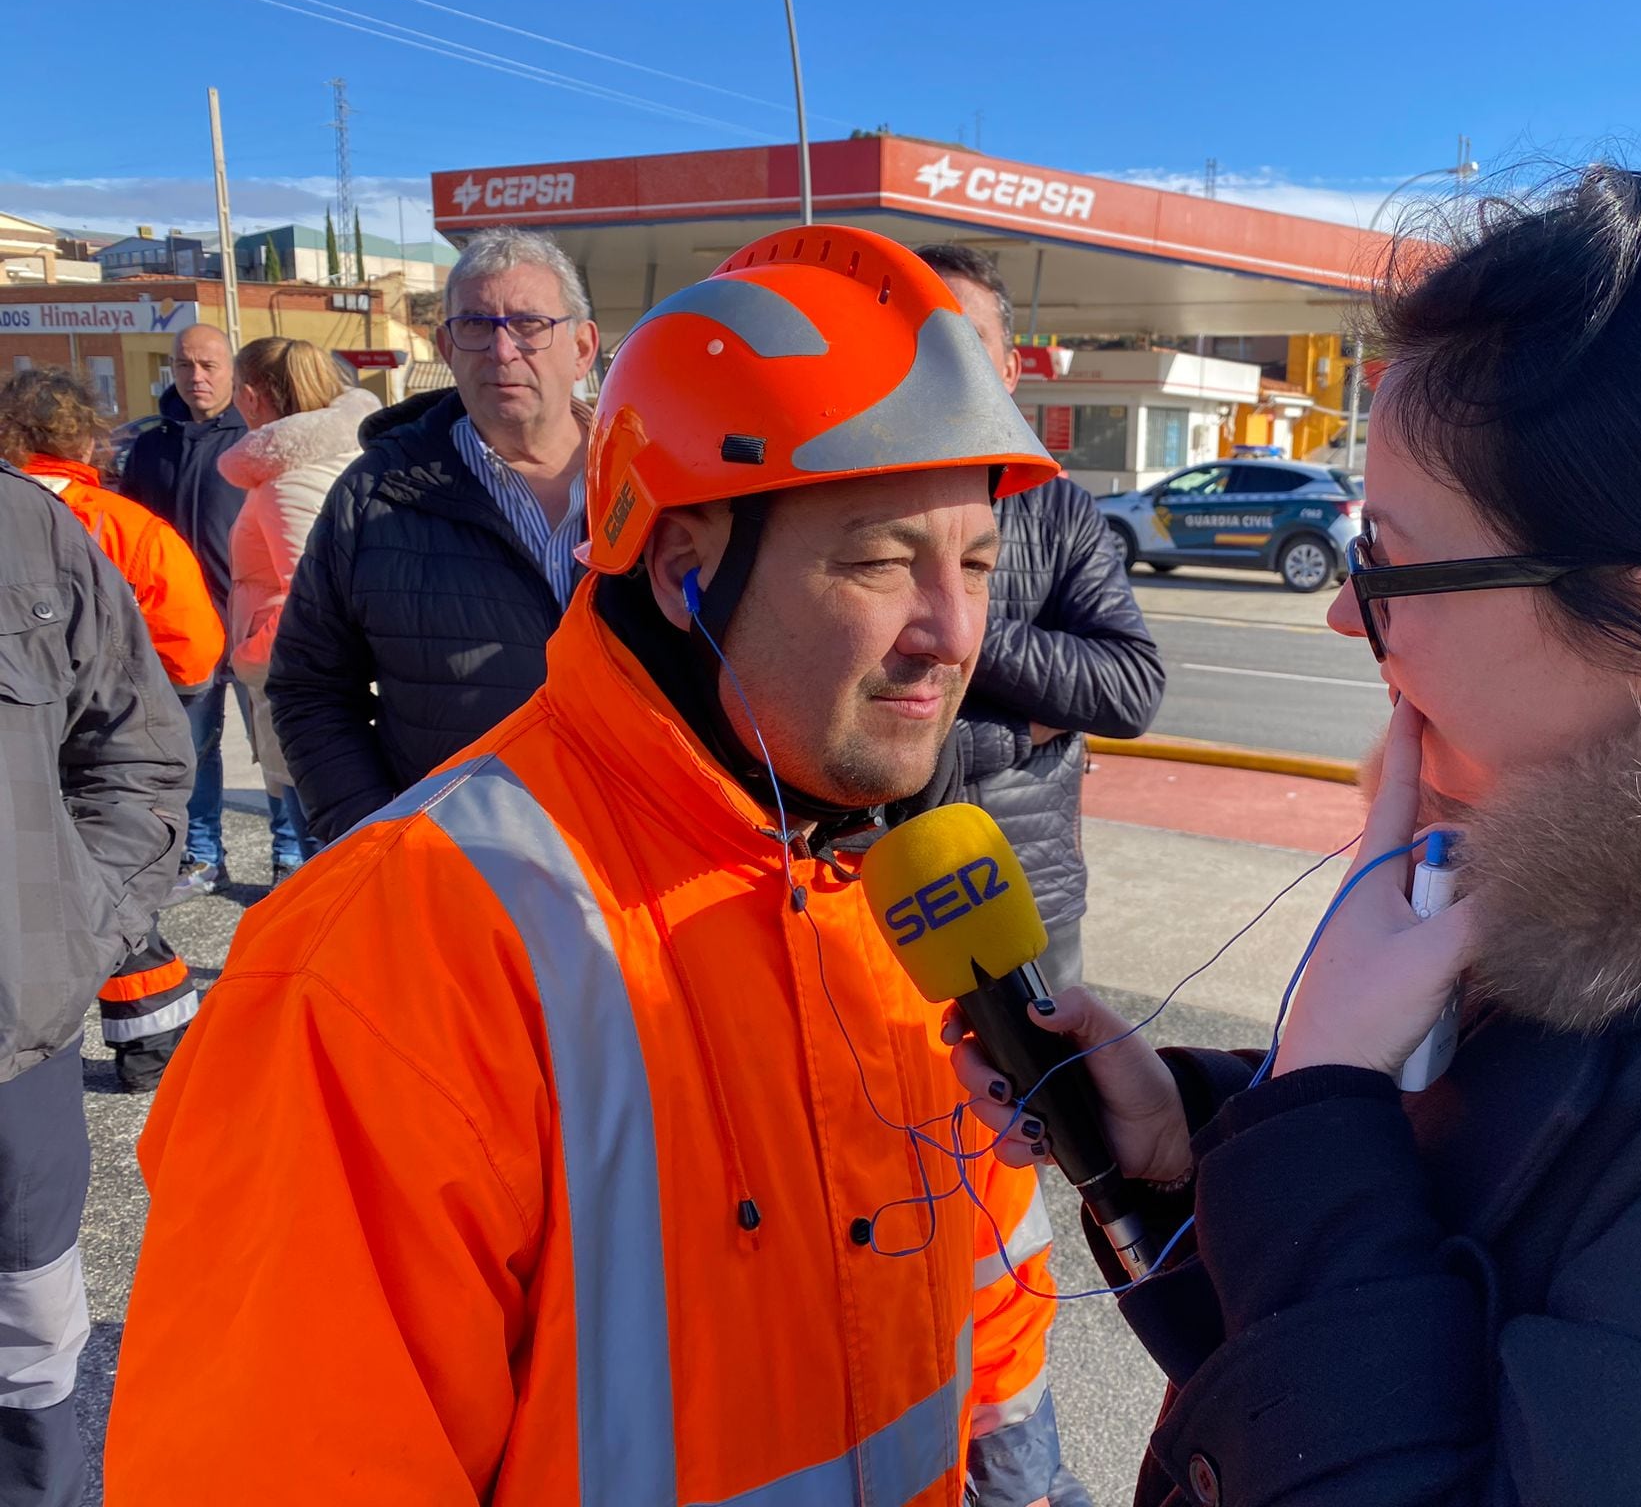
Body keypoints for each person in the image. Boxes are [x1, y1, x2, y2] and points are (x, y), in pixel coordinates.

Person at [950, 161, 1641, 1503]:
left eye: (1388, 569)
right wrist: (1210, 1139)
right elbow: (1511, 1214)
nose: (1351, 619)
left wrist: (1316, 1114)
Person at [108, 227, 1084, 1505]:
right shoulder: (383, 966)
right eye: (877, 557)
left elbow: (986, 1279)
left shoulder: (883, 884)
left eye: (973, 562)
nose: (956, 635)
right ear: (682, 569)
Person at [267, 228, 598, 844]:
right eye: (476, 325)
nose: (503, 350)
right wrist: (371, 836)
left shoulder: (662, 481)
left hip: (645, 860)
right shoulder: (376, 494)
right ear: (447, 346)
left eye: (528, 324)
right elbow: (309, 687)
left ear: (582, 347)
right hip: (462, 871)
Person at [0, 457, 192, 1501]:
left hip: (14, 1051)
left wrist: (76, 923)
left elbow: (134, 749)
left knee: (29, 1375)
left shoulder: (28, 529)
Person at [915, 245, 1165, 996]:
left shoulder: (1060, 510)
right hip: (878, 882)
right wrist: (1020, 731)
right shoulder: (836, 508)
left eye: (967, 336)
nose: (942, 358)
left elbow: (1128, 690)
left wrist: (955, 617)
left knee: (1040, 1105)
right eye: (920, 337)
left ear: (1012, 366)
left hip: (1029, 893)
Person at [1, 365, 218, 1091]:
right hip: (118, 732)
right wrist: (170, 696)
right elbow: (191, 635)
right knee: (101, 891)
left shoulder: (24, 518)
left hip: (34, 751)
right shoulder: (121, 524)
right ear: (87, 437)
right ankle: (149, 1044)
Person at [124, 323, 306, 893]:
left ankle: (290, 859)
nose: (196, 378)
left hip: (254, 624)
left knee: (278, 750)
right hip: (182, 631)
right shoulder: (154, 445)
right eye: (184, 366)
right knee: (191, 750)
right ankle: (202, 856)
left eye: (209, 365)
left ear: (232, 371)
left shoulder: (257, 438)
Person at [218, 338, 380, 875]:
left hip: (300, 685)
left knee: (325, 854)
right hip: (325, 678)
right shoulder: (338, 455)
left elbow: (305, 601)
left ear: (249, 396)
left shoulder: (288, 479)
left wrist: (246, 655)